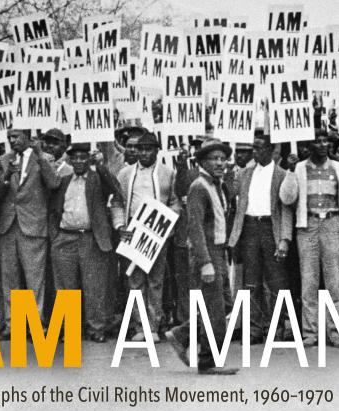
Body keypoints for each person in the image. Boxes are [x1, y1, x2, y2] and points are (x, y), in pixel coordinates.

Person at [166, 140, 238, 374]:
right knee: (215, 309)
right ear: (202, 162)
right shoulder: (199, 187)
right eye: (214, 159)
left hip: (218, 251)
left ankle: (181, 334)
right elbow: (194, 227)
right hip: (206, 254)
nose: (220, 163)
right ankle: (208, 360)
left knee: (224, 303)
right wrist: (206, 262)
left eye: (222, 158)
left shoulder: (218, 185)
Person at [280, 129, 339, 347]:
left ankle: (336, 333)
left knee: (334, 282)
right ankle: (310, 333)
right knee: (309, 281)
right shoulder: (299, 168)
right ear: (308, 146)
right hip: (308, 226)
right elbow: (286, 197)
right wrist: (290, 171)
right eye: (317, 142)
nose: (322, 145)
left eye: (325, 141)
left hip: (332, 223)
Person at [49, 143, 123, 342]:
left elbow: (116, 188)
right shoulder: (64, 180)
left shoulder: (97, 178)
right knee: (66, 287)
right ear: (70, 160)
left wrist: (100, 166)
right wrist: (56, 235)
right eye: (76, 158)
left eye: (83, 157)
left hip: (90, 237)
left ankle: (96, 328)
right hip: (65, 237)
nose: (79, 161)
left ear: (88, 159)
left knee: (94, 286)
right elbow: (54, 208)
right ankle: (71, 329)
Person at [115, 131, 181, 342]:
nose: (143, 153)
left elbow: (175, 202)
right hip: (133, 229)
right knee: (134, 280)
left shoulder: (167, 173)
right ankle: (139, 327)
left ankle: (153, 326)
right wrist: (120, 226)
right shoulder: (125, 174)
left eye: (148, 149)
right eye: (140, 149)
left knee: (155, 280)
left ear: (156, 151)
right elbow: (116, 202)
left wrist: (168, 225)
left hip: (156, 232)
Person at [228, 135, 292, 343]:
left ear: (271, 149)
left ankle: (276, 327)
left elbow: (286, 209)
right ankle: (255, 328)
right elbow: (230, 195)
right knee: (251, 281)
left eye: (259, 148)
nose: (255, 152)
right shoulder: (244, 174)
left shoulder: (282, 174)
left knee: (276, 281)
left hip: (270, 228)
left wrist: (284, 239)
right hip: (249, 228)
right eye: (254, 148)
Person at [0, 129, 59, 339]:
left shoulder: (43, 159)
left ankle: (36, 325)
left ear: (27, 137)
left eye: (16, 136)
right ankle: (12, 325)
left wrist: (40, 156)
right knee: (9, 278)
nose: (12, 141)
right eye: (10, 138)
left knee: (35, 279)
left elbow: (54, 183)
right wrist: (6, 176)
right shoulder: (3, 160)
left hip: (32, 226)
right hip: (8, 226)